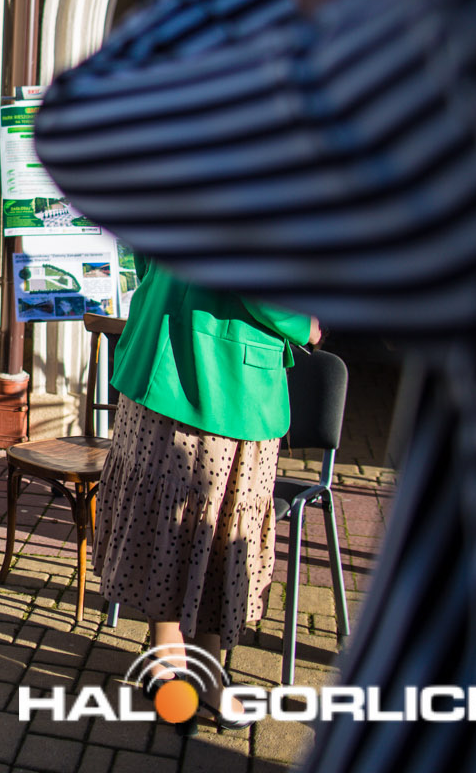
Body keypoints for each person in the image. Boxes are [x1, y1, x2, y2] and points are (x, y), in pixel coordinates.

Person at [34, 0, 476, 764]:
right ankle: (190, 673)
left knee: (177, 539)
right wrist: (302, 316)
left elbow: (95, 123)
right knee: (203, 542)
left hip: (193, 384)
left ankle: (179, 671)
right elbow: (269, 285)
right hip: (213, 389)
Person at [94, 256, 317, 728]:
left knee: (170, 523)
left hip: (158, 360)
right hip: (219, 385)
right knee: (213, 533)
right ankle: (203, 677)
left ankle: (166, 661)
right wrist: (309, 325)